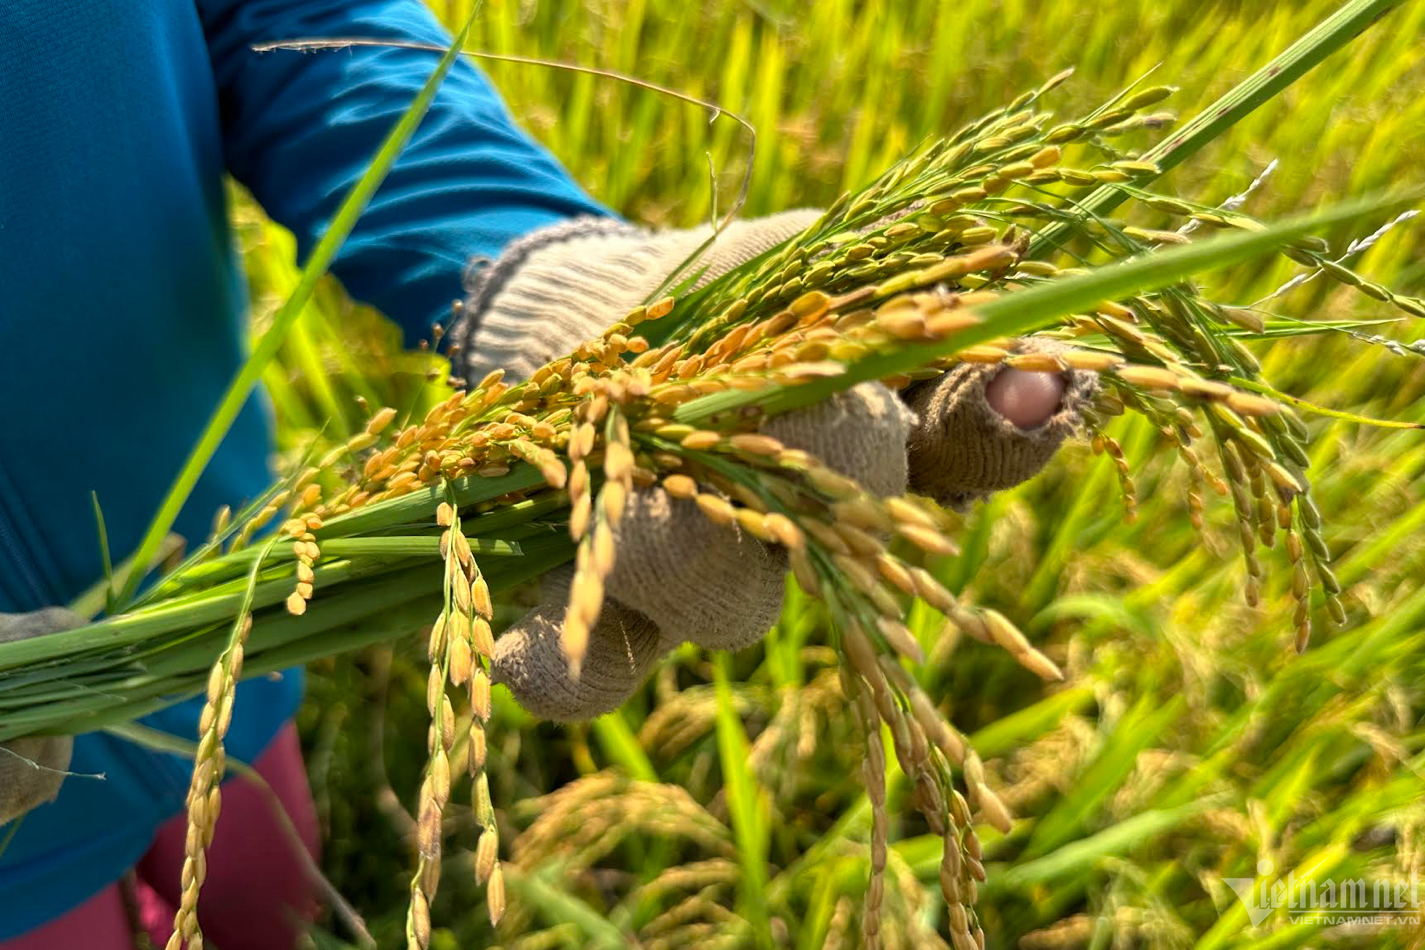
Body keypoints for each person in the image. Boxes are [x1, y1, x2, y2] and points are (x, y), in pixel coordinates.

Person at [0, 2, 1091, 948]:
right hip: (13, 859)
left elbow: (280, 13)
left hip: (228, 596)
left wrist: (541, 270)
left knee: (272, 887)